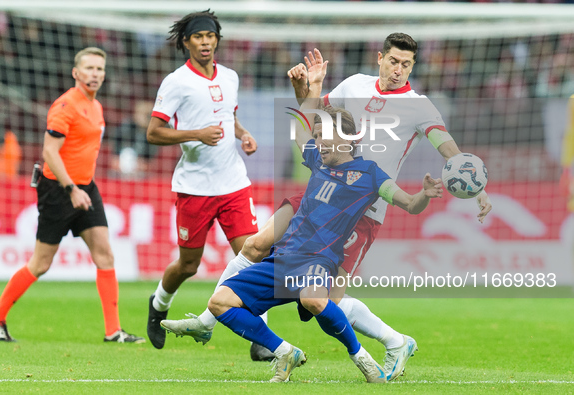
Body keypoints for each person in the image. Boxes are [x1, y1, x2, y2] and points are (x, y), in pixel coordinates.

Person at [161, 34, 493, 381]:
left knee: (321, 302)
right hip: (320, 187)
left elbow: (446, 146)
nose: (398, 70)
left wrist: (476, 185)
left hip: (362, 208)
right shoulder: (354, 85)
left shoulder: (419, 106)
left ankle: (395, 341)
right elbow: (314, 118)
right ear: (380, 57)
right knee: (255, 244)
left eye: (406, 64)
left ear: (413, 67)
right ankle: (206, 320)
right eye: (393, 61)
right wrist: (307, 86)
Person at [0, 47, 144, 344]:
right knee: (41, 263)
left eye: (100, 69)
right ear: (76, 73)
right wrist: (71, 189)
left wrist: (81, 188)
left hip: (86, 188)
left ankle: (113, 331)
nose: (95, 74)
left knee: (105, 253)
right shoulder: (65, 106)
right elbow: (49, 152)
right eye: (89, 68)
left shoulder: (96, 107)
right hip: (59, 190)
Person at [144, 10, 260, 356]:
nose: (205, 42)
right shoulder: (176, 81)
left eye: (210, 36)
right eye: (198, 37)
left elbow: (229, 115)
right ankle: (159, 304)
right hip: (195, 187)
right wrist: (196, 134)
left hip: (234, 183)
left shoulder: (230, 76)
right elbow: (153, 132)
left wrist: (243, 134)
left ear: (217, 40)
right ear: (186, 42)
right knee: (189, 265)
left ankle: (260, 339)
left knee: (252, 258)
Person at [110, 100, 158, 175]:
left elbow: (150, 164)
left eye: (149, 115)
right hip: (120, 172)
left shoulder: (152, 136)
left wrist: (138, 165)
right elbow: (114, 161)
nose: (148, 118)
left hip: (140, 174)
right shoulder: (125, 129)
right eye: (145, 115)